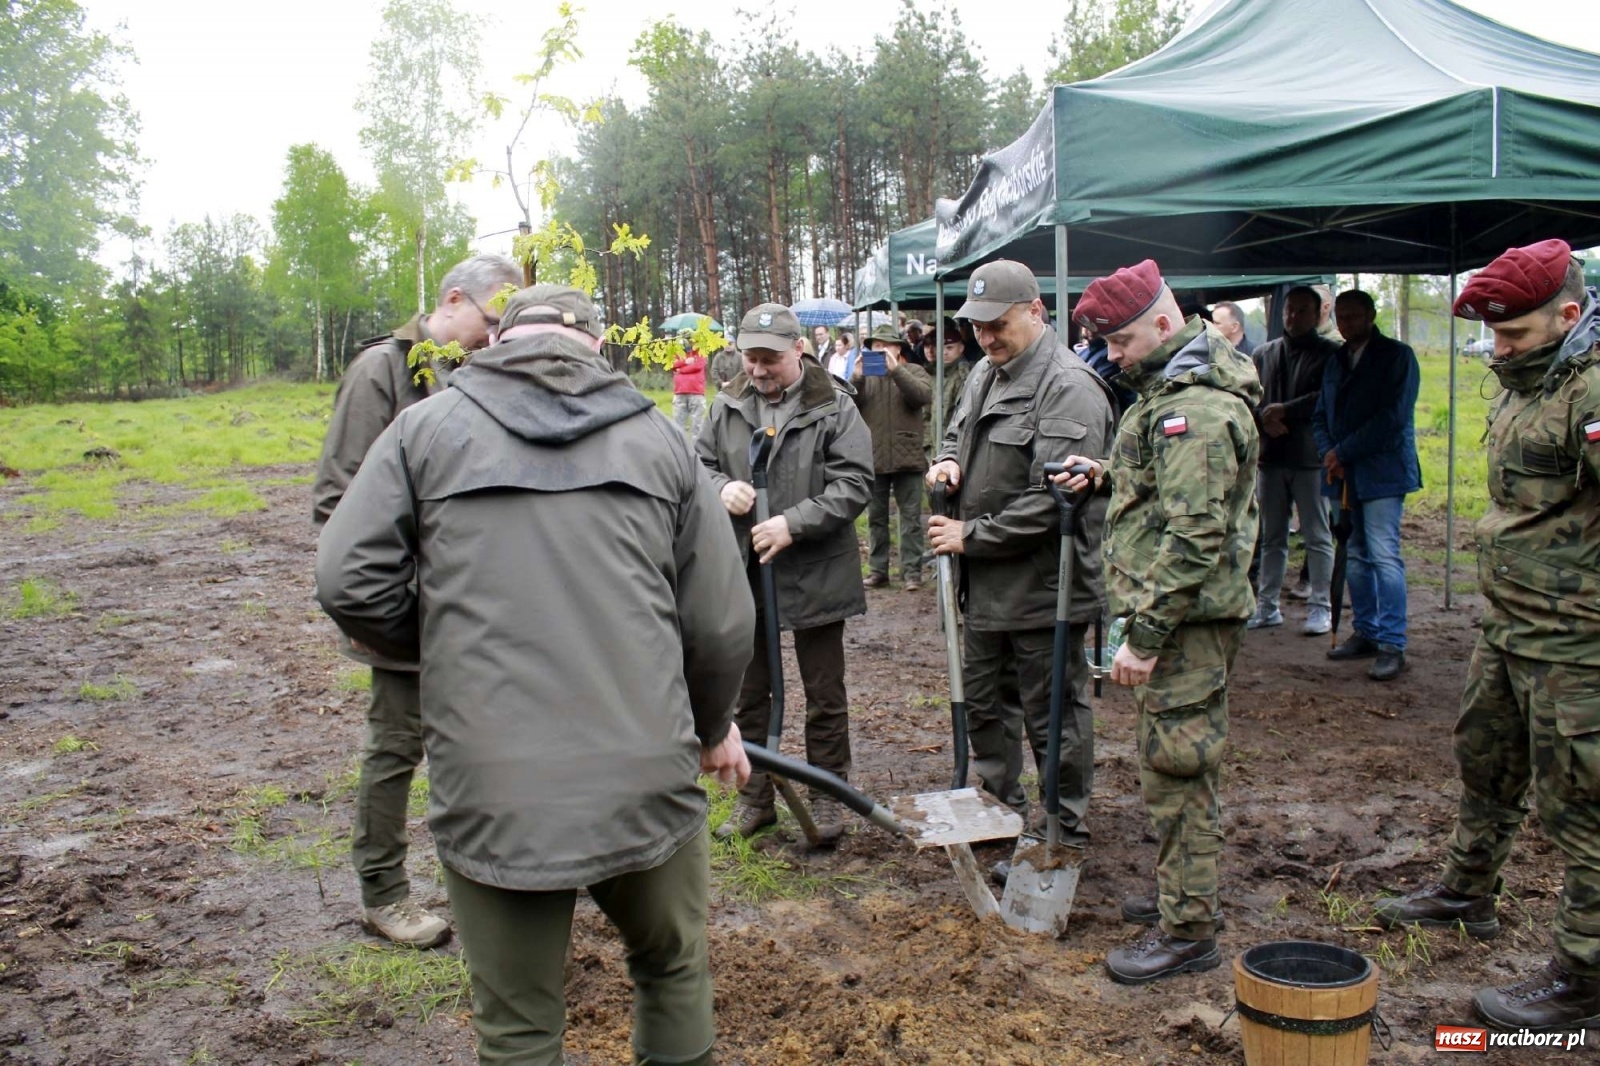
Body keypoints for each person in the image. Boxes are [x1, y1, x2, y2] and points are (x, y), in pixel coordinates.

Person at [315, 284, 755, 1064]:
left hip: (494, 783)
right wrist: (713, 727)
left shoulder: (423, 431)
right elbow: (719, 623)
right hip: (644, 769)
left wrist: (444, 642)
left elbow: (349, 580)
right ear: (594, 344)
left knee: (516, 1025)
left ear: (496, 341)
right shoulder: (662, 442)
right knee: (672, 968)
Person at [1375, 241, 1600, 1031]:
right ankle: (1468, 894)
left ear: (1570, 316)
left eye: (1515, 335)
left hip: (1577, 645)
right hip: (1508, 626)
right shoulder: (1530, 381)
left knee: (1584, 807)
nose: (1497, 351)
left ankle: (1584, 977)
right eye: (1494, 336)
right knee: (1487, 764)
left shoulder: (1592, 392)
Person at [1055, 259, 1260, 985]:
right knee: (1169, 766)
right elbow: (1172, 488)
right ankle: (1184, 897)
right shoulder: (1168, 393)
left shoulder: (1194, 409)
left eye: (1121, 342)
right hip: (1173, 619)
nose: (1112, 357)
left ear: (1166, 324)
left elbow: (1196, 535)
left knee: (1179, 770)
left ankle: (1190, 931)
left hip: (1182, 626)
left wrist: (1144, 638)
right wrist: (1111, 473)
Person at [310, 252, 522, 948]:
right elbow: (340, 506)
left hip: (471, 609)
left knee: (481, 744)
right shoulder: (382, 372)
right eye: (493, 321)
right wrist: (392, 614)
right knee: (395, 750)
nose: (497, 337)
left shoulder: (469, 371)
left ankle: (490, 875)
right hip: (406, 615)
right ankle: (384, 894)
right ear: (454, 300)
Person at [925, 260, 1115, 860]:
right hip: (983, 586)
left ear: (1036, 311)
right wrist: (949, 460)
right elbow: (958, 431)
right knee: (985, 703)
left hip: (1043, 587)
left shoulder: (1070, 387)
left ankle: (1065, 826)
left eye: (997, 324)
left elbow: (1054, 501)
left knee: (1052, 712)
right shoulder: (985, 370)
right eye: (977, 327)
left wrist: (970, 535)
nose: (986, 337)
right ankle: (1000, 807)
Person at [697, 303, 873, 843]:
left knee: (825, 693)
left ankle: (828, 797)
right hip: (745, 572)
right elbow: (697, 466)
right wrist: (720, 488)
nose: (757, 370)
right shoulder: (727, 404)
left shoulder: (834, 406)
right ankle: (756, 800)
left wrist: (792, 523)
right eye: (750, 358)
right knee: (749, 693)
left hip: (816, 570)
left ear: (799, 350)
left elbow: (854, 483)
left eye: (769, 359)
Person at [1312, 289, 1421, 682]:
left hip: (1382, 471)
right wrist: (1329, 452)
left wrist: (1343, 451)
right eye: (1341, 317)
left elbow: (1392, 418)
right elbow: (1320, 413)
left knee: (1383, 554)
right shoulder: (1336, 360)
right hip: (1343, 473)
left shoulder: (1397, 357)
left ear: (1372, 315)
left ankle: (1393, 643)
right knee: (1355, 554)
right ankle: (1367, 631)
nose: (1347, 324)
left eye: (1355, 317)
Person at [1248, 286, 1339, 635]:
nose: (1292, 316)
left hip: (1311, 458)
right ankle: (1267, 606)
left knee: (1317, 536)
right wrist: (1263, 416)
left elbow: (1328, 397)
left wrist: (1287, 409)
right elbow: (1249, 395)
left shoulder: (1331, 354)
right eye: (1289, 310)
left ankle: (1321, 607)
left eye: (1302, 311)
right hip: (1271, 458)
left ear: (1317, 315)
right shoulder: (1264, 352)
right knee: (1271, 536)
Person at [854, 324, 933, 591]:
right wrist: (856, 377)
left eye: (885, 345)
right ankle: (878, 571)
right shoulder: (865, 377)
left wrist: (897, 371)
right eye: (875, 347)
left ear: (898, 348)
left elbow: (922, 396)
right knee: (876, 518)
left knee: (910, 518)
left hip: (907, 456)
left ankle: (912, 572)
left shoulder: (913, 371)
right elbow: (847, 406)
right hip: (873, 457)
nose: (880, 351)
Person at [671, 342, 708, 437]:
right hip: (679, 393)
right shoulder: (677, 352)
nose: (689, 342)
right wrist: (686, 361)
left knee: (697, 426)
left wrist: (681, 370)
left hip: (696, 393)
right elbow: (672, 364)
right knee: (678, 425)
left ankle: (697, 449)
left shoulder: (701, 351)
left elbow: (698, 366)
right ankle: (680, 449)